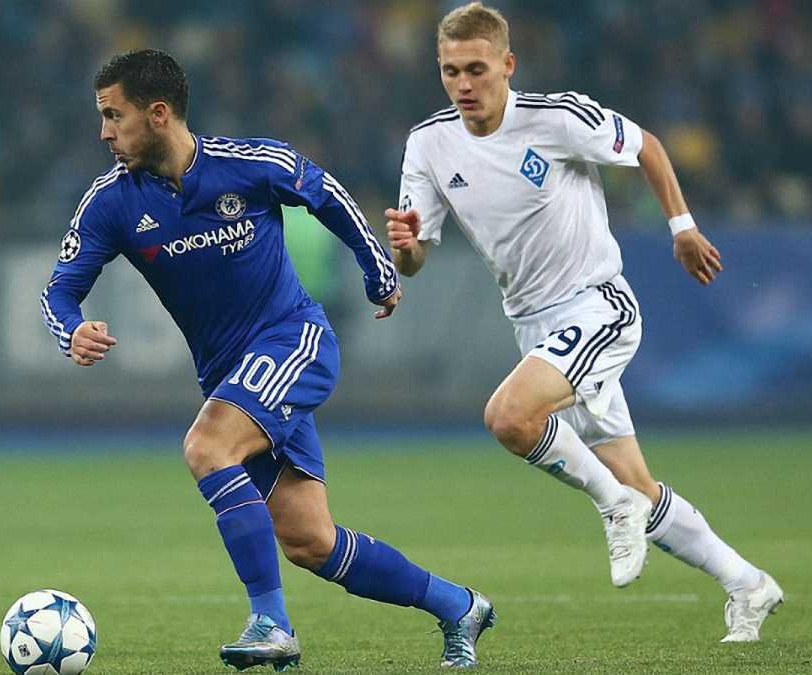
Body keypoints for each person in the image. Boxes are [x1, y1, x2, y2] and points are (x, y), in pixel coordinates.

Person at [41, 49, 496, 671]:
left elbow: (327, 194)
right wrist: (71, 330)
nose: (104, 133)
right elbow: (59, 290)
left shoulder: (251, 165)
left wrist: (377, 270)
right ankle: (459, 605)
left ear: (158, 113)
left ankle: (271, 623)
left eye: (113, 115)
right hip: (231, 378)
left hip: (293, 341)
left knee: (208, 447)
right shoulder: (111, 203)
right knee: (311, 541)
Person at [386, 2, 782, 643]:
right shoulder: (429, 143)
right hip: (532, 325)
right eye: (450, 71)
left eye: (476, 69)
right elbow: (416, 258)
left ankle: (613, 505)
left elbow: (647, 145)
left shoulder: (558, 118)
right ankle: (748, 584)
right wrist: (405, 246)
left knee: (509, 417)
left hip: (598, 306)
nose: (463, 84)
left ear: (507, 65)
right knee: (636, 481)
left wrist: (682, 227)